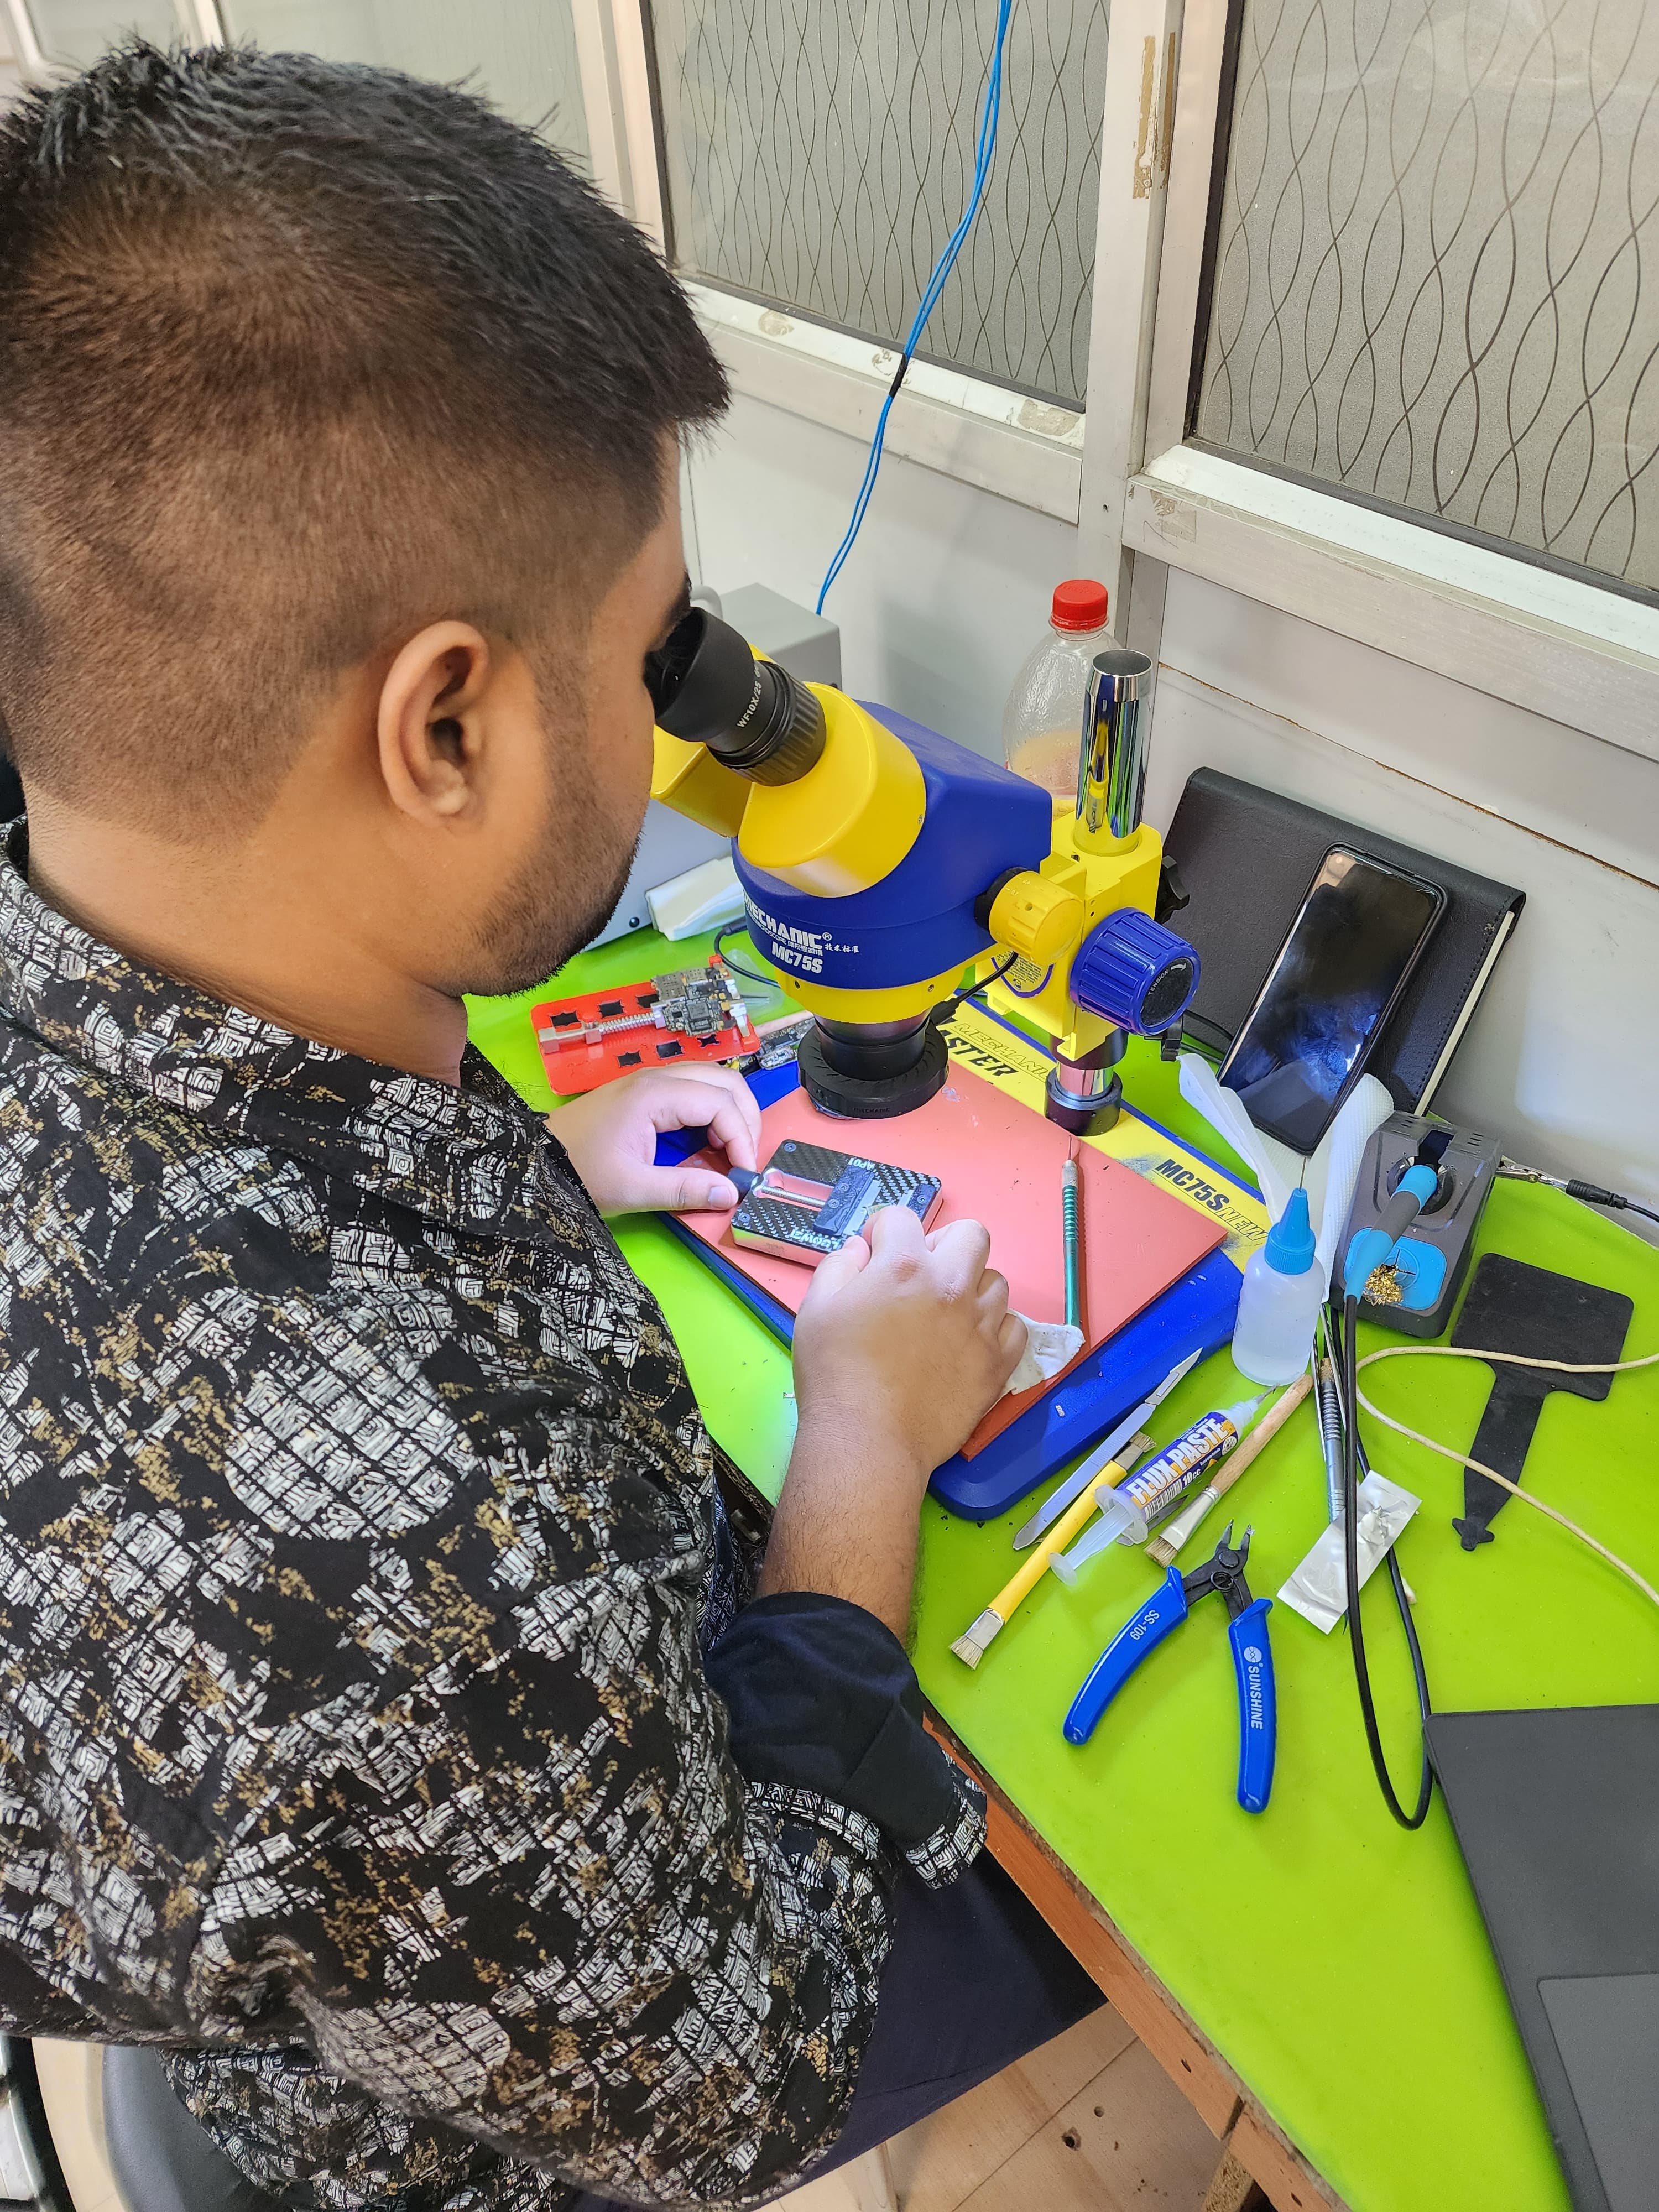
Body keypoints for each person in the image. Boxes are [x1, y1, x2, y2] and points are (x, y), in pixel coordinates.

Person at [0, 41, 1101, 2211]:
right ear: (447, 722)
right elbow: (739, 2075)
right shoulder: (391, 1544)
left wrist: (534, 1179)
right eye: (651, 654)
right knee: (1093, 1921)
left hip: (287, 1953)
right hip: (487, 2114)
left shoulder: (145, 976)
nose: (691, 712)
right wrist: (865, 1435)